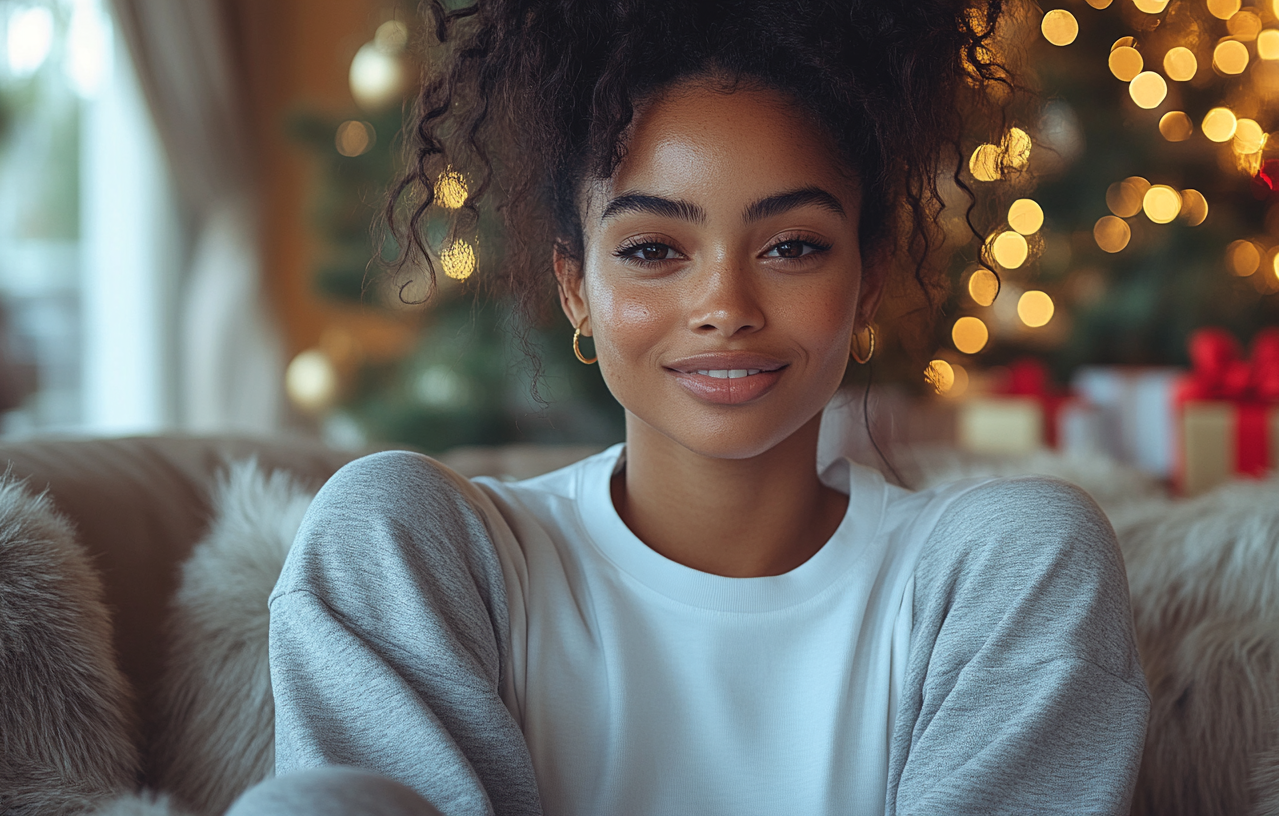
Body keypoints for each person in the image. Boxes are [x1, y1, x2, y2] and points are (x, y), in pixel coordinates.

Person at [240, 1, 1150, 814]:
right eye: (651, 250)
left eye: (793, 246)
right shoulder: (407, 548)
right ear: (575, 288)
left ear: (867, 281)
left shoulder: (1007, 568)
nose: (726, 304)